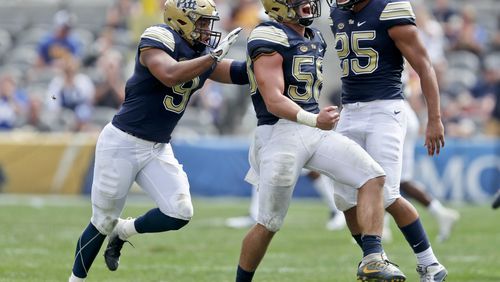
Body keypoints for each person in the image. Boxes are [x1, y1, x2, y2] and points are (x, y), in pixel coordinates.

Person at [68, 0, 246, 281]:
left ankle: (124, 231)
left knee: (179, 212)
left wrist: (270, 60)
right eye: (200, 22)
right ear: (181, 20)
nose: (206, 30)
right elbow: (169, 74)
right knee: (102, 221)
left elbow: (236, 72)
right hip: (122, 143)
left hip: (157, 146)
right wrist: (212, 58)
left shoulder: (201, 51)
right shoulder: (158, 38)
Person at [236, 0, 405, 281]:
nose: (307, 3)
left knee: (373, 176)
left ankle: (373, 258)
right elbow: (274, 99)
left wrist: (316, 121)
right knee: (268, 223)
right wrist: (314, 120)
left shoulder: (313, 36)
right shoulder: (269, 34)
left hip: (313, 130)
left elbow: (241, 73)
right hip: (280, 133)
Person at [327, 0, 447, 281]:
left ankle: (429, 264)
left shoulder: (390, 8)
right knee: (345, 198)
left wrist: (435, 118)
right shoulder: (338, 11)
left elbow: (424, 65)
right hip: (349, 111)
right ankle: (377, 261)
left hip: (385, 109)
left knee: (387, 193)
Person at [383, 99, 460, 243]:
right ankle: (440, 213)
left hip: (392, 113)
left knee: (384, 175)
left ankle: (382, 227)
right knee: (396, 179)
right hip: (400, 111)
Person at [226, 170, 346, 231]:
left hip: (297, 131)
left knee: (311, 170)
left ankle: (338, 209)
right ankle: (255, 215)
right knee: (262, 168)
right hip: (274, 129)